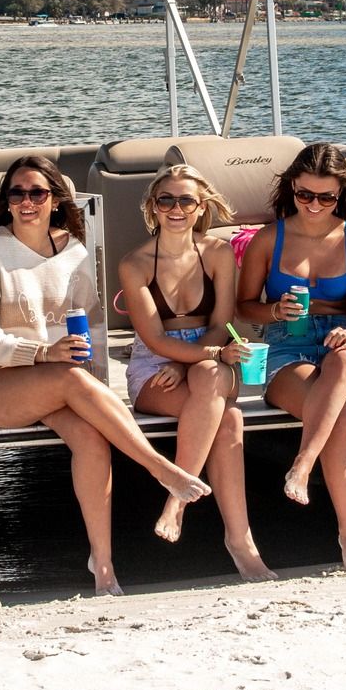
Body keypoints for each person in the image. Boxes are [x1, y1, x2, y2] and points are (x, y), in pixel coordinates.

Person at [0, 156, 209, 596]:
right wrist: (42, 352)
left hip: (56, 381)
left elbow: (90, 328)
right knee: (70, 381)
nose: (27, 201)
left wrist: (95, 389)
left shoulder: (73, 251)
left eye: (38, 192)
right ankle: (161, 470)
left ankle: (103, 568)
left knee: (92, 439)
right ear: (7, 201)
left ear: (55, 199)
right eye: (18, 193)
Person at [117, 164, 274, 581]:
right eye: (165, 199)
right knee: (229, 416)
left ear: (200, 206)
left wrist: (196, 359)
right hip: (157, 363)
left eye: (186, 200)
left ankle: (177, 498)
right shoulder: (134, 264)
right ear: (153, 207)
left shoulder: (218, 253)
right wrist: (183, 360)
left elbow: (222, 323)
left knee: (210, 378)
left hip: (209, 355)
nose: (176, 208)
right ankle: (240, 542)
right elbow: (153, 339)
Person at [236, 141, 346, 574]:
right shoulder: (270, 238)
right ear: (292, 189)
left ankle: (303, 464)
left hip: (344, 344)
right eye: (305, 194)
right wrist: (273, 310)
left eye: (326, 197)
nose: (315, 204)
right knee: (335, 413)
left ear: (341, 195)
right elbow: (243, 306)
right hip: (286, 343)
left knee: (339, 368)